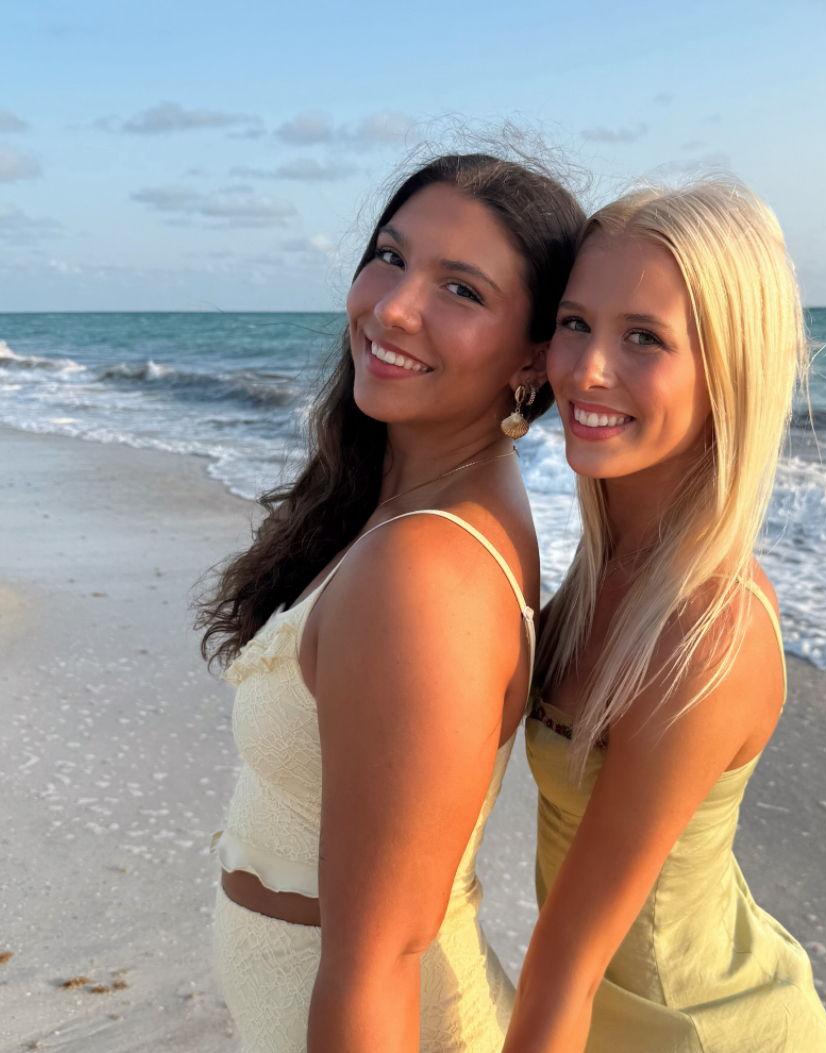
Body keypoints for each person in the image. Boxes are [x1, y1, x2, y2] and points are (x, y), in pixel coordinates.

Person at [195, 151, 583, 1053]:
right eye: (390, 256)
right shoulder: (410, 502)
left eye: (462, 290)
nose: (394, 308)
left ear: (533, 354)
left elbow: (378, 959)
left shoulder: (425, 571)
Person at [504, 180, 826, 1052]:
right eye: (575, 322)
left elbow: (564, 969)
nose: (586, 370)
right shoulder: (605, 570)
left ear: (729, 371)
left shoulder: (705, 633)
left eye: (643, 337)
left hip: (703, 1030)